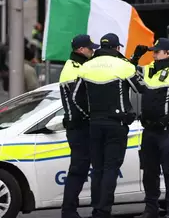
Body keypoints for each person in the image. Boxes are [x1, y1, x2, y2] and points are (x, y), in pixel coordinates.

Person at [75, 33, 145, 218]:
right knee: (111, 168)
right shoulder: (123, 66)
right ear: (117, 48)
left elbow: (76, 97)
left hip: (94, 124)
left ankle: (97, 208)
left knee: (97, 168)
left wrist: (87, 115)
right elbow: (141, 88)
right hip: (116, 124)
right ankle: (103, 210)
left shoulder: (86, 66)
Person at [132, 38, 169, 218]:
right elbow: (130, 76)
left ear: (167, 53)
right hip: (149, 129)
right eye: (153, 51)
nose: (153, 54)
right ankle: (151, 209)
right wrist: (135, 57)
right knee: (149, 172)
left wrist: (167, 119)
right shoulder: (150, 68)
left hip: (168, 131)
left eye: (157, 51)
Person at [59, 34, 99, 218]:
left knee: (81, 169)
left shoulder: (79, 65)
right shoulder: (73, 69)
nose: (93, 51)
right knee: (78, 169)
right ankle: (68, 211)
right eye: (90, 48)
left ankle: (72, 209)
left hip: (80, 126)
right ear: (80, 50)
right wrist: (90, 118)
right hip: (79, 126)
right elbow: (78, 102)